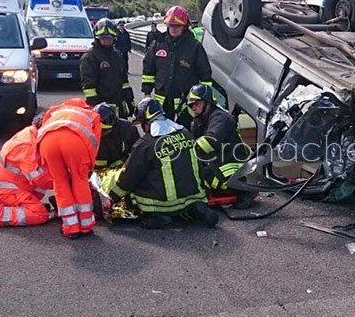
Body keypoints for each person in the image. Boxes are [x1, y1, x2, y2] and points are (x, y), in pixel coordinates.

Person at [107, 97, 218, 229]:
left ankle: (158, 215)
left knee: (132, 189)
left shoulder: (146, 144)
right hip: (194, 196)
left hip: (161, 204)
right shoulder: (186, 134)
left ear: (146, 121)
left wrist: (111, 198)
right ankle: (194, 209)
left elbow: (129, 177)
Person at [0, 113, 54, 228]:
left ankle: (7, 204)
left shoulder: (32, 133)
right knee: (39, 214)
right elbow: (41, 180)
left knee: (39, 198)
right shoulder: (27, 146)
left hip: (15, 185)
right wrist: (66, 182)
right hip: (10, 189)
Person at [37, 98, 102, 239]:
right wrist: (87, 167)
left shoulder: (54, 110)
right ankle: (85, 226)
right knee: (80, 180)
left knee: (60, 182)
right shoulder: (92, 115)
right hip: (74, 142)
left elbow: (42, 126)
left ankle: (71, 228)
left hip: (47, 143)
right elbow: (94, 143)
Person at [141, 5, 212, 128]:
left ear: (184, 26)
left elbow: (205, 74)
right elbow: (148, 69)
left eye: (177, 26)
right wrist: (147, 92)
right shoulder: (158, 44)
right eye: (171, 25)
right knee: (161, 133)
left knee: (185, 133)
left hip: (186, 103)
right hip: (161, 101)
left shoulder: (194, 47)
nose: (173, 29)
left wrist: (204, 100)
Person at [187, 83, 255, 209]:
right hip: (217, 158)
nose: (193, 107)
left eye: (196, 103)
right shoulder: (199, 120)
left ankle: (246, 190)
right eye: (191, 104)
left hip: (233, 161)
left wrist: (188, 151)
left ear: (207, 102)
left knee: (209, 176)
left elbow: (211, 141)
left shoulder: (220, 117)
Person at [80, 18, 135, 119]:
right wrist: (97, 107)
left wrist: (129, 100)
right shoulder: (89, 57)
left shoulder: (117, 55)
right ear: (97, 37)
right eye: (103, 37)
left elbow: (124, 81)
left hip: (119, 104)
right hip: (101, 109)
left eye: (109, 37)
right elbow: (89, 87)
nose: (106, 40)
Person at [93, 102, 140, 171]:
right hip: (101, 173)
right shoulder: (90, 136)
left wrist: (122, 161)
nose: (101, 134)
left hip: (126, 169)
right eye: (99, 130)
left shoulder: (127, 129)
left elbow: (138, 153)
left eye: (104, 130)